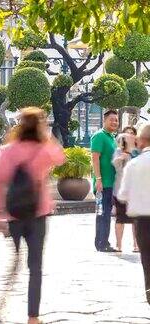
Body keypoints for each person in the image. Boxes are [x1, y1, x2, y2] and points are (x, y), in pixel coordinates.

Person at [0, 107, 65, 324]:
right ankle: (33, 316)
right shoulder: (43, 149)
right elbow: (60, 157)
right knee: (35, 266)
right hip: (38, 212)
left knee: (14, 260)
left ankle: (0, 302)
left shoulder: (7, 150)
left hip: (13, 213)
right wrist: (46, 134)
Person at [117, 124, 150, 305]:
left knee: (147, 263)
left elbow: (122, 195)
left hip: (143, 222)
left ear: (141, 141)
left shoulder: (134, 164)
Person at [91, 110, 120, 252]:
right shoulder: (99, 136)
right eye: (112, 120)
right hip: (103, 184)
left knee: (106, 214)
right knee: (102, 214)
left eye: (116, 120)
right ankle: (101, 243)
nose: (114, 122)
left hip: (111, 183)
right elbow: (95, 158)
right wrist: (98, 179)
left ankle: (104, 242)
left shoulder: (112, 138)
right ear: (105, 120)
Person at [113, 131, 139, 252]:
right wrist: (120, 158)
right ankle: (119, 244)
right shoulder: (119, 152)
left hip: (134, 191)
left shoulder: (137, 153)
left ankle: (136, 244)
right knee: (120, 218)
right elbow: (116, 166)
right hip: (120, 190)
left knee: (136, 219)